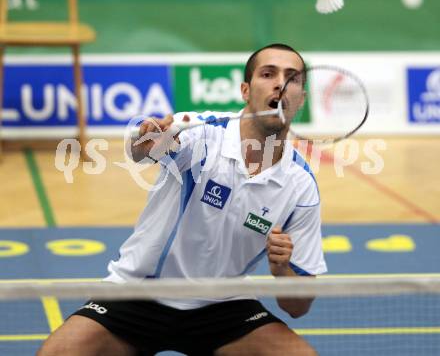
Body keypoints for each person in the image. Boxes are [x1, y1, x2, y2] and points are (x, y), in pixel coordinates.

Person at [38, 43, 327, 356]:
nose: (280, 84)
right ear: (246, 90)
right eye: (268, 74)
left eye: (292, 78)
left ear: (301, 99)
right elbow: (144, 150)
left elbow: (298, 306)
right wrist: (147, 137)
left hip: (223, 303)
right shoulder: (204, 132)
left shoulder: (300, 187)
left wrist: (283, 270)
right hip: (140, 291)